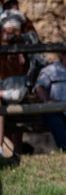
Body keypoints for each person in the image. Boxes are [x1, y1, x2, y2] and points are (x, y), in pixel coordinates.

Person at [34, 52, 66, 151]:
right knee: (52, 115)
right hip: (60, 109)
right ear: (62, 56)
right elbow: (39, 88)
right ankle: (63, 149)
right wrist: (47, 100)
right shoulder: (50, 70)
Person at [0, 11, 30, 158]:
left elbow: (33, 36)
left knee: (19, 118)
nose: (11, 34)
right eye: (7, 31)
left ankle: (17, 153)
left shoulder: (21, 48)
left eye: (14, 32)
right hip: (3, 92)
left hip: (19, 91)